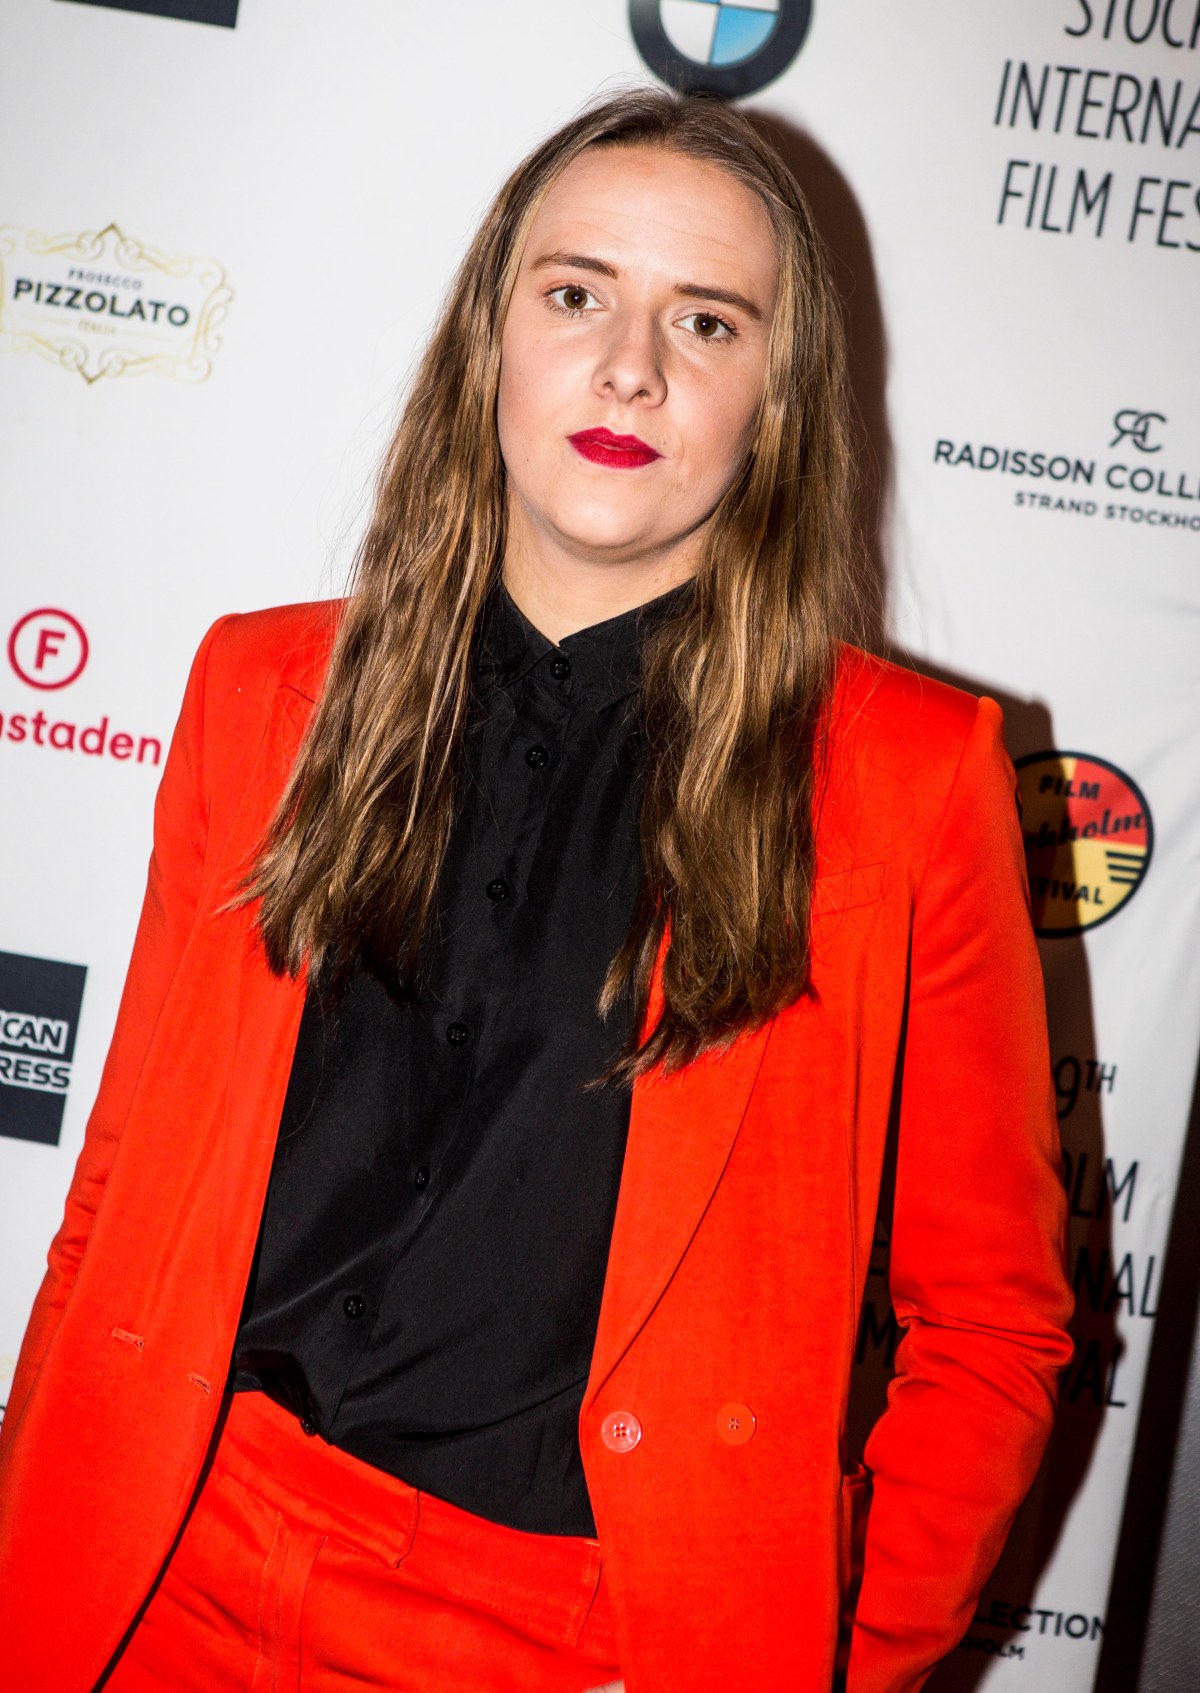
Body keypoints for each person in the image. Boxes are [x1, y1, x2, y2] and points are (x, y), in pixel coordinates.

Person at [0, 86, 1072, 1693]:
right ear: (489, 338)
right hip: (164, 1561)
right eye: (577, 294)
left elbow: (990, 1330)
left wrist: (827, 1667)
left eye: (705, 321)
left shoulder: (907, 781)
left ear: (777, 396)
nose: (631, 366)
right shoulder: (262, 691)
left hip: (563, 1635)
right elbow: (117, 1197)